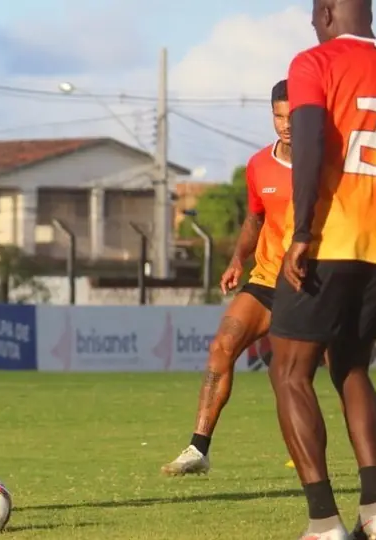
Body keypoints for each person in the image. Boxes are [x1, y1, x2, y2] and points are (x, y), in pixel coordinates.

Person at [268, 0, 376, 538]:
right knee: (352, 367)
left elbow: (309, 141)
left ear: (328, 11)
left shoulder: (314, 62)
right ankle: (375, 511)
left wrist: (303, 232)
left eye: (314, 13)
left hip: (331, 239)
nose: (313, 23)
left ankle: (323, 522)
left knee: (289, 371)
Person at [161, 80, 294, 477]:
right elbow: (255, 218)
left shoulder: (326, 163)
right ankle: (198, 448)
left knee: (302, 373)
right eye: (279, 116)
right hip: (267, 279)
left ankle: (336, 454)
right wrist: (238, 259)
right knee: (222, 345)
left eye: (293, 116)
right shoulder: (259, 165)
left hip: (312, 282)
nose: (286, 124)